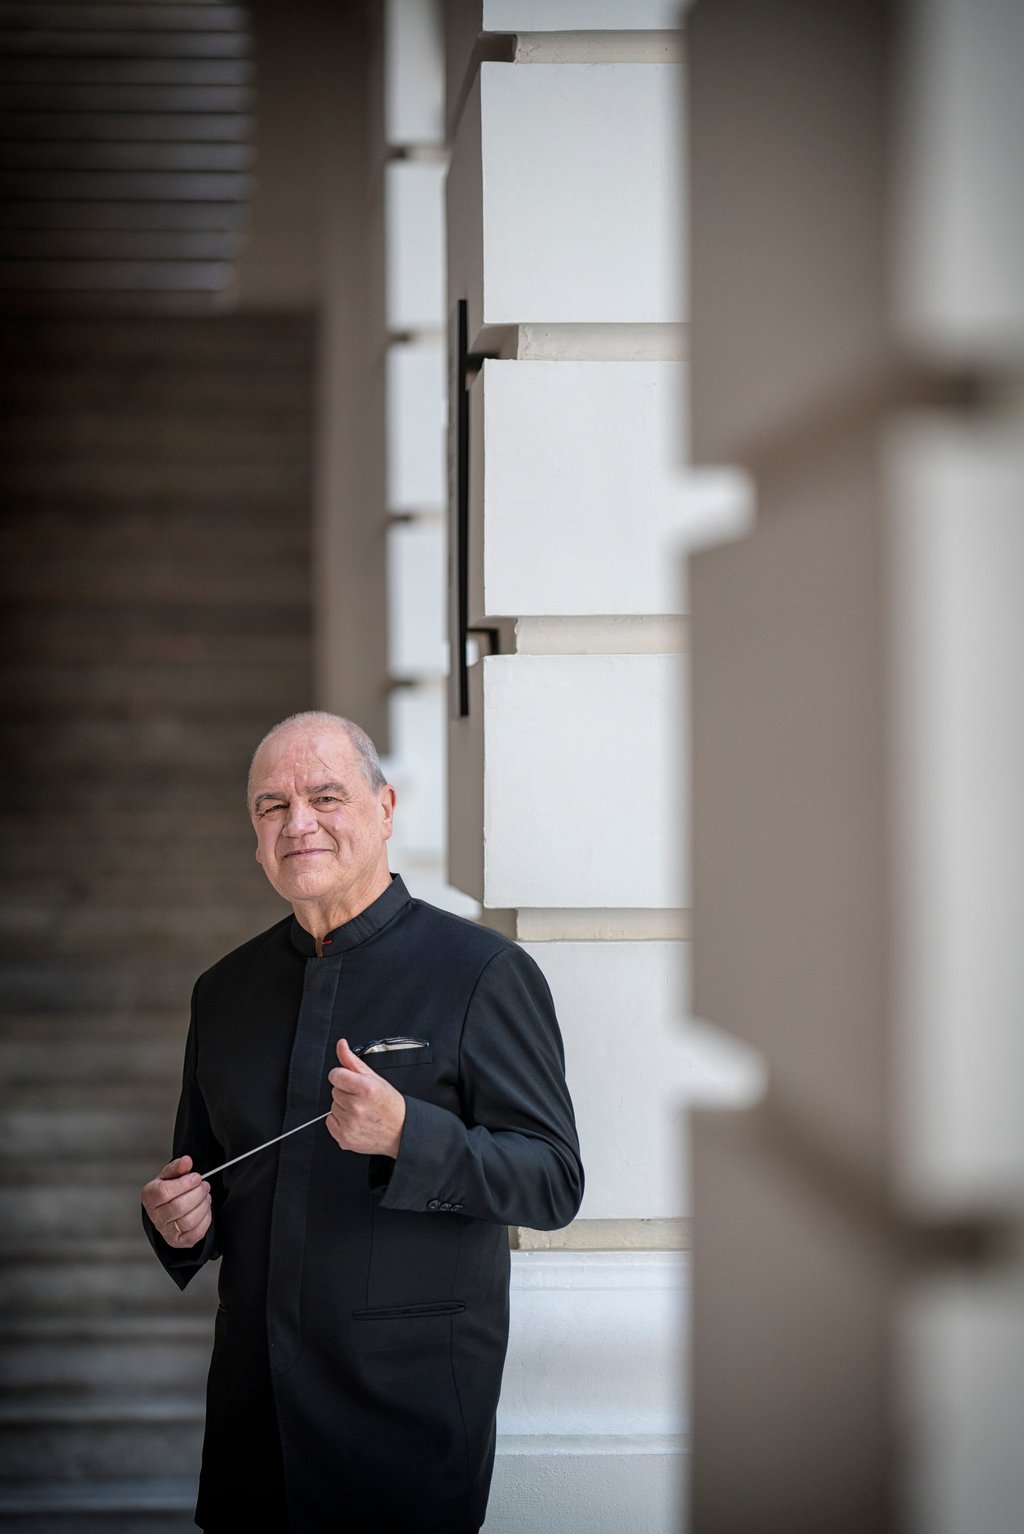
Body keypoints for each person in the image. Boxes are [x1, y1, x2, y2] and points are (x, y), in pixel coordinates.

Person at [140, 710, 583, 1533]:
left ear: (384, 809)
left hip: (406, 1426)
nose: (297, 823)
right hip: (253, 1426)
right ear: (255, 837)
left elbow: (553, 1182)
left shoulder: (484, 971)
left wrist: (410, 1133)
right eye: (272, 806)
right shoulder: (224, 992)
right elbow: (205, 1178)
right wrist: (179, 1219)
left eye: (325, 797)